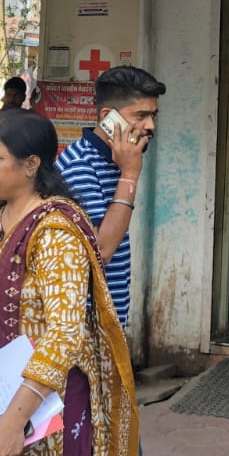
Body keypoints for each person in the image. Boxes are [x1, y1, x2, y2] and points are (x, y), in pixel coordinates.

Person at [0, 108, 138, 456]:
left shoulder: (55, 232)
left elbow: (65, 334)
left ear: (30, 165)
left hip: (45, 408)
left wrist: (15, 419)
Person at [57, 66, 165, 326]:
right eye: (141, 115)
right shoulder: (80, 165)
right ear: (108, 117)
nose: (150, 126)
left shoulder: (112, 160)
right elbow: (101, 250)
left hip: (107, 317)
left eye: (153, 115)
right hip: (83, 322)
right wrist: (129, 176)